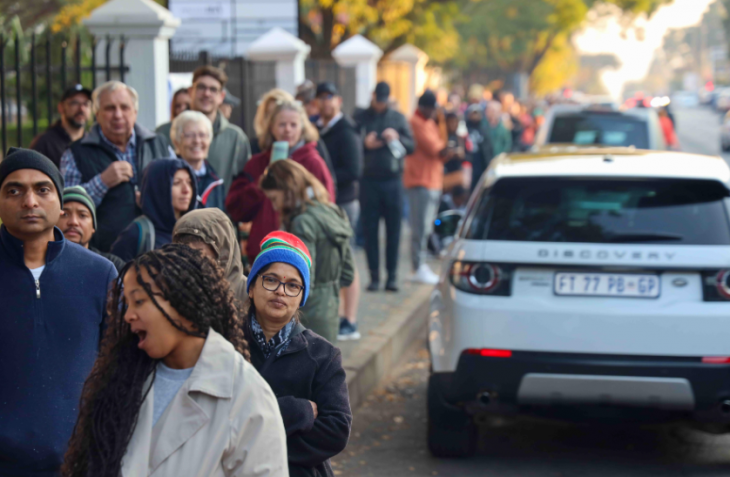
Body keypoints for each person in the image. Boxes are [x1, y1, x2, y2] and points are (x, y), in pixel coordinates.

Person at [61, 244, 288, 477]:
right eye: (126, 303)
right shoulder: (122, 379)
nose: (128, 315)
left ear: (184, 303)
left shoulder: (246, 395)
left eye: (139, 301)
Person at [0, 148, 117, 477]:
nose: (29, 201)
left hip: (83, 464)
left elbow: (119, 368)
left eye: (42, 189)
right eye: (14, 190)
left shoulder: (100, 274)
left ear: (59, 199)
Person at [243, 231, 352, 476]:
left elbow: (336, 430)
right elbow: (221, 418)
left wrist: (260, 450)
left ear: (302, 297)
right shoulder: (228, 345)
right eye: (270, 280)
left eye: (292, 285)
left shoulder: (324, 355)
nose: (280, 291)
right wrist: (295, 411)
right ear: (251, 287)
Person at [59, 81, 169, 252]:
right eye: (110, 108)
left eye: (124, 107)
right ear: (97, 114)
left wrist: (153, 200)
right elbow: (65, 207)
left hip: (157, 250)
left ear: (135, 112)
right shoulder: (76, 152)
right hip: (103, 254)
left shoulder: (159, 144)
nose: (117, 115)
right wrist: (102, 181)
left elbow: (182, 192)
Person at [226, 99, 335, 264]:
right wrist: (262, 183)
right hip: (264, 252)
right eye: (282, 124)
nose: (288, 130)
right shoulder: (257, 163)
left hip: (303, 253)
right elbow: (236, 209)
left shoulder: (313, 162)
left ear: (302, 128)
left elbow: (327, 207)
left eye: (293, 124)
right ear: (271, 127)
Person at [260, 159, 355, 343]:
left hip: (306, 316)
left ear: (287, 190)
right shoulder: (334, 211)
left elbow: (302, 281)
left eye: (274, 198)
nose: (274, 206)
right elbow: (348, 274)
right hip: (330, 310)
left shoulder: (302, 223)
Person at [353, 81, 415, 292]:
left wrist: (396, 137)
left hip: (393, 181)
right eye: (377, 100)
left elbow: (411, 146)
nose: (380, 104)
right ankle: (374, 277)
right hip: (369, 181)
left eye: (383, 100)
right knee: (370, 232)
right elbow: (351, 140)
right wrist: (364, 142)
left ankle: (392, 277)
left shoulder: (397, 118)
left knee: (394, 232)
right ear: (373, 96)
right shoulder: (361, 116)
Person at [315, 81, 363, 340]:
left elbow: (354, 171)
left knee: (348, 259)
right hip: (327, 203)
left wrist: (324, 180)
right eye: (321, 97)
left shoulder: (347, 130)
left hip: (344, 202)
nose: (325, 102)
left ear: (339, 100)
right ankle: (340, 315)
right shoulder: (318, 128)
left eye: (330, 97)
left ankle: (351, 319)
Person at [157, 66, 251, 194]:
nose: (206, 93)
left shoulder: (236, 138)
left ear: (221, 96)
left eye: (213, 89)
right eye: (201, 87)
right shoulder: (163, 133)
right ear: (190, 91)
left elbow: (244, 186)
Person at [111, 158, 197, 262]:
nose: (186, 190)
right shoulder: (136, 234)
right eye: (176, 183)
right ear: (158, 188)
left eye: (189, 182)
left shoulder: (194, 233)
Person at [404, 90, 447, 285]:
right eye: (431, 109)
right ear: (423, 107)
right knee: (420, 227)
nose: (433, 112)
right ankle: (417, 266)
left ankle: (421, 263)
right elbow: (435, 148)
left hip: (433, 180)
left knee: (427, 226)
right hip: (419, 181)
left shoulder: (430, 123)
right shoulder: (415, 122)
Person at [173, 207, 247, 303]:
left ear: (223, 252)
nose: (192, 262)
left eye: (200, 256)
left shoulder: (251, 293)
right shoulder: (173, 290)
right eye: (184, 255)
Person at [58, 185, 125, 271]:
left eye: (82, 215)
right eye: (65, 214)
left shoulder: (113, 266)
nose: (73, 222)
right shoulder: (39, 263)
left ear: (93, 227)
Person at [170, 110, 225, 211]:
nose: (197, 141)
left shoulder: (216, 181)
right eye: (189, 135)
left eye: (202, 135)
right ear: (176, 141)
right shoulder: (168, 177)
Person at [30, 84, 92, 167]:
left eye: (86, 104)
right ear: (61, 107)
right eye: (75, 103)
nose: (81, 109)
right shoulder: (45, 143)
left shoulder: (92, 143)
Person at [465, 103, 494, 191]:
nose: (475, 116)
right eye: (473, 114)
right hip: (468, 164)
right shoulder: (464, 129)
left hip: (481, 164)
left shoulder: (484, 130)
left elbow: (488, 149)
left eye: (477, 114)